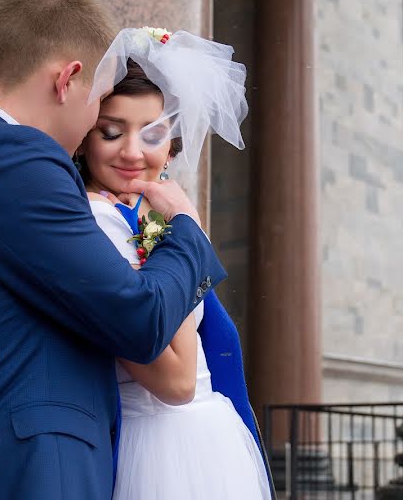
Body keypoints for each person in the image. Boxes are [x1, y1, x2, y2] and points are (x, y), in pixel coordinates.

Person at [0, 0, 225, 500]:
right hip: (12, 478)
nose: (96, 120)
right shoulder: (11, 158)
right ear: (67, 80)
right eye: (102, 99)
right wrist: (185, 229)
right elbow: (140, 320)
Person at [76, 27, 274, 499]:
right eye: (111, 131)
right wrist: (183, 229)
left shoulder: (154, 211)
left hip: (214, 441)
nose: (132, 151)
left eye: (153, 133)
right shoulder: (92, 221)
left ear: (172, 143)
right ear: (83, 139)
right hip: (150, 447)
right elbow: (177, 380)